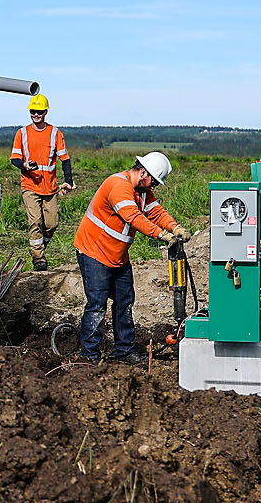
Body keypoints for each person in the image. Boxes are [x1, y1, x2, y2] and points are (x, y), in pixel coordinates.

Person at [72, 152, 191, 361]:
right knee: (97, 305)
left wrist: (175, 227)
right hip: (94, 253)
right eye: (153, 182)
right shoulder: (118, 186)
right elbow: (133, 217)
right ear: (143, 173)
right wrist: (161, 234)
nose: (153, 187)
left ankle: (124, 351)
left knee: (125, 302)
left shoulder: (142, 191)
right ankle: (88, 355)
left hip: (117, 256)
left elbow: (156, 213)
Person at [10, 94, 74, 270]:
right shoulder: (22, 133)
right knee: (35, 221)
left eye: (39, 111)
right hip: (29, 185)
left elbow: (65, 159)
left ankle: (38, 248)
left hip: (50, 187)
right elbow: (14, 158)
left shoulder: (55, 133)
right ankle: (38, 258)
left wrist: (68, 180)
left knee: (52, 223)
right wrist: (24, 165)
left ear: (45, 112)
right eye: (33, 111)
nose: (35, 114)